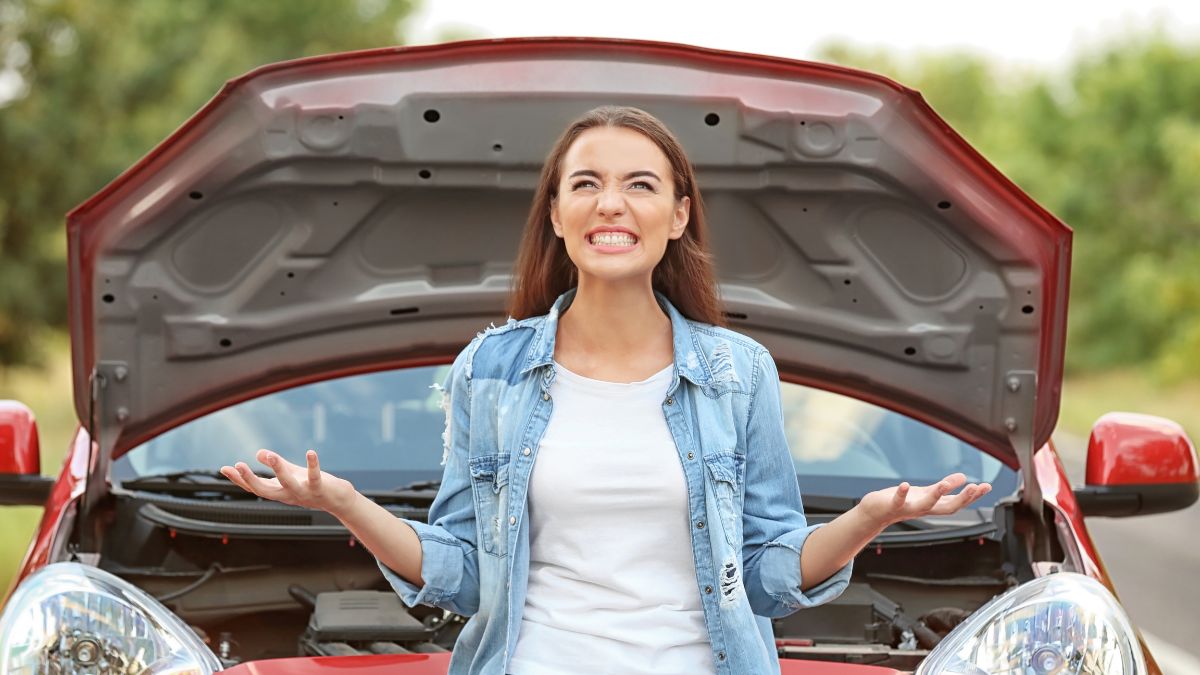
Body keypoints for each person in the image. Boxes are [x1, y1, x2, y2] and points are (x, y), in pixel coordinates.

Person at [220, 105, 991, 674]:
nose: (610, 203)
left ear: (679, 215)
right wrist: (346, 503)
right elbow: (464, 576)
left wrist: (866, 515)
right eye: (584, 183)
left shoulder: (736, 371)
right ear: (556, 214)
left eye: (640, 185)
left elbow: (767, 573)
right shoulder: (490, 368)